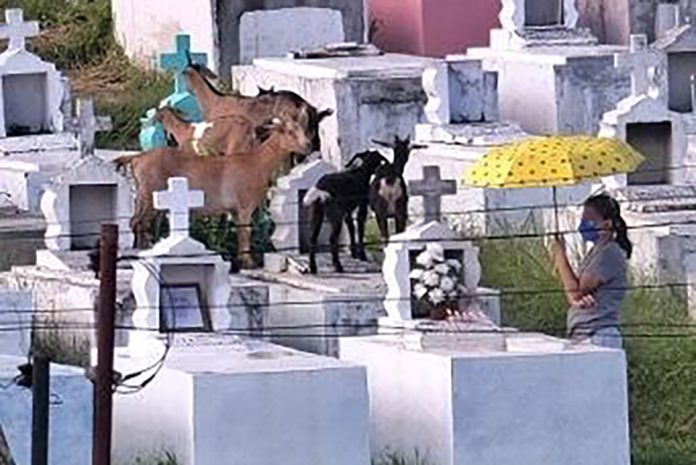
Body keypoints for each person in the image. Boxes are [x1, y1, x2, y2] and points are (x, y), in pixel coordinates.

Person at [551, 193, 632, 349]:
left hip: (597, 335)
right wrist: (575, 299)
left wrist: (560, 257)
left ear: (607, 224)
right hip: (584, 334)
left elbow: (575, 292)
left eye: (589, 220)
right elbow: (575, 297)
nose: (583, 224)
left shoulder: (608, 254)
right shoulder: (596, 251)